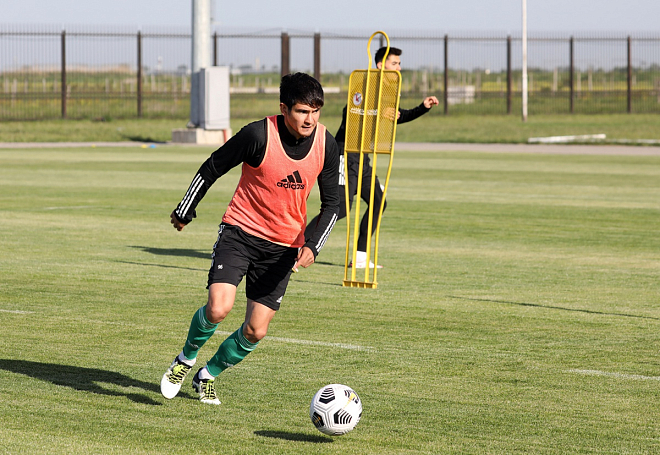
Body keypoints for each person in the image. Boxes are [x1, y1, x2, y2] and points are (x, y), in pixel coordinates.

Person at [161, 72, 340, 405]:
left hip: (283, 249)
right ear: (284, 109)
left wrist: (313, 245)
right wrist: (185, 209)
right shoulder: (258, 134)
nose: (310, 119)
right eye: (302, 111)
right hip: (240, 233)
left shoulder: (326, 144)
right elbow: (213, 166)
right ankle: (185, 360)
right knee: (218, 308)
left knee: (256, 330)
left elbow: (333, 204)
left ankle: (207, 375)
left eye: (316, 111)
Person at [305, 46, 439, 268]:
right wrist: (377, 113)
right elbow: (350, 113)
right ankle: (298, 245)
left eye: (399, 63)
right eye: (394, 63)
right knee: (339, 209)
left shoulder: (388, 90)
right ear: (380, 65)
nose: (399, 68)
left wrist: (422, 108)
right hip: (345, 153)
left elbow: (395, 116)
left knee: (378, 201)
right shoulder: (365, 84)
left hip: (363, 158)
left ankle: (360, 257)